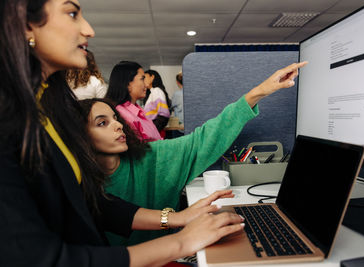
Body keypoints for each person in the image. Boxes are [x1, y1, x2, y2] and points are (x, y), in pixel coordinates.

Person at [0, 1, 254, 266]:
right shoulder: (10, 124)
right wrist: (180, 241)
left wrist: (176, 218)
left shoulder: (43, 110)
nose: (89, 30)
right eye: (72, 13)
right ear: (26, 25)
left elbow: (92, 203)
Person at [79, 58, 307, 246]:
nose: (118, 125)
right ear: (80, 136)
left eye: (116, 119)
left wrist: (259, 92)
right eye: (102, 123)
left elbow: (203, 139)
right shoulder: (77, 184)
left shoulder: (150, 157)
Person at [105, 61, 163, 142]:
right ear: (128, 84)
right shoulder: (122, 114)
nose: (146, 85)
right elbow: (140, 149)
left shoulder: (138, 111)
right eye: (142, 79)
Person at [143, 69, 171, 134]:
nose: (143, 81)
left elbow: (164, 114)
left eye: (145, 77)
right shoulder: (152, 93)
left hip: (156, 132)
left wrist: (152, 130)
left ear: (152, 77)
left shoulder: (156, 91)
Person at [169, 71, 184, 138]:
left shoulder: (176, 94)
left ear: (177, 82)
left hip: (179, 127)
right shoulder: (191, 93)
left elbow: (171, 107)